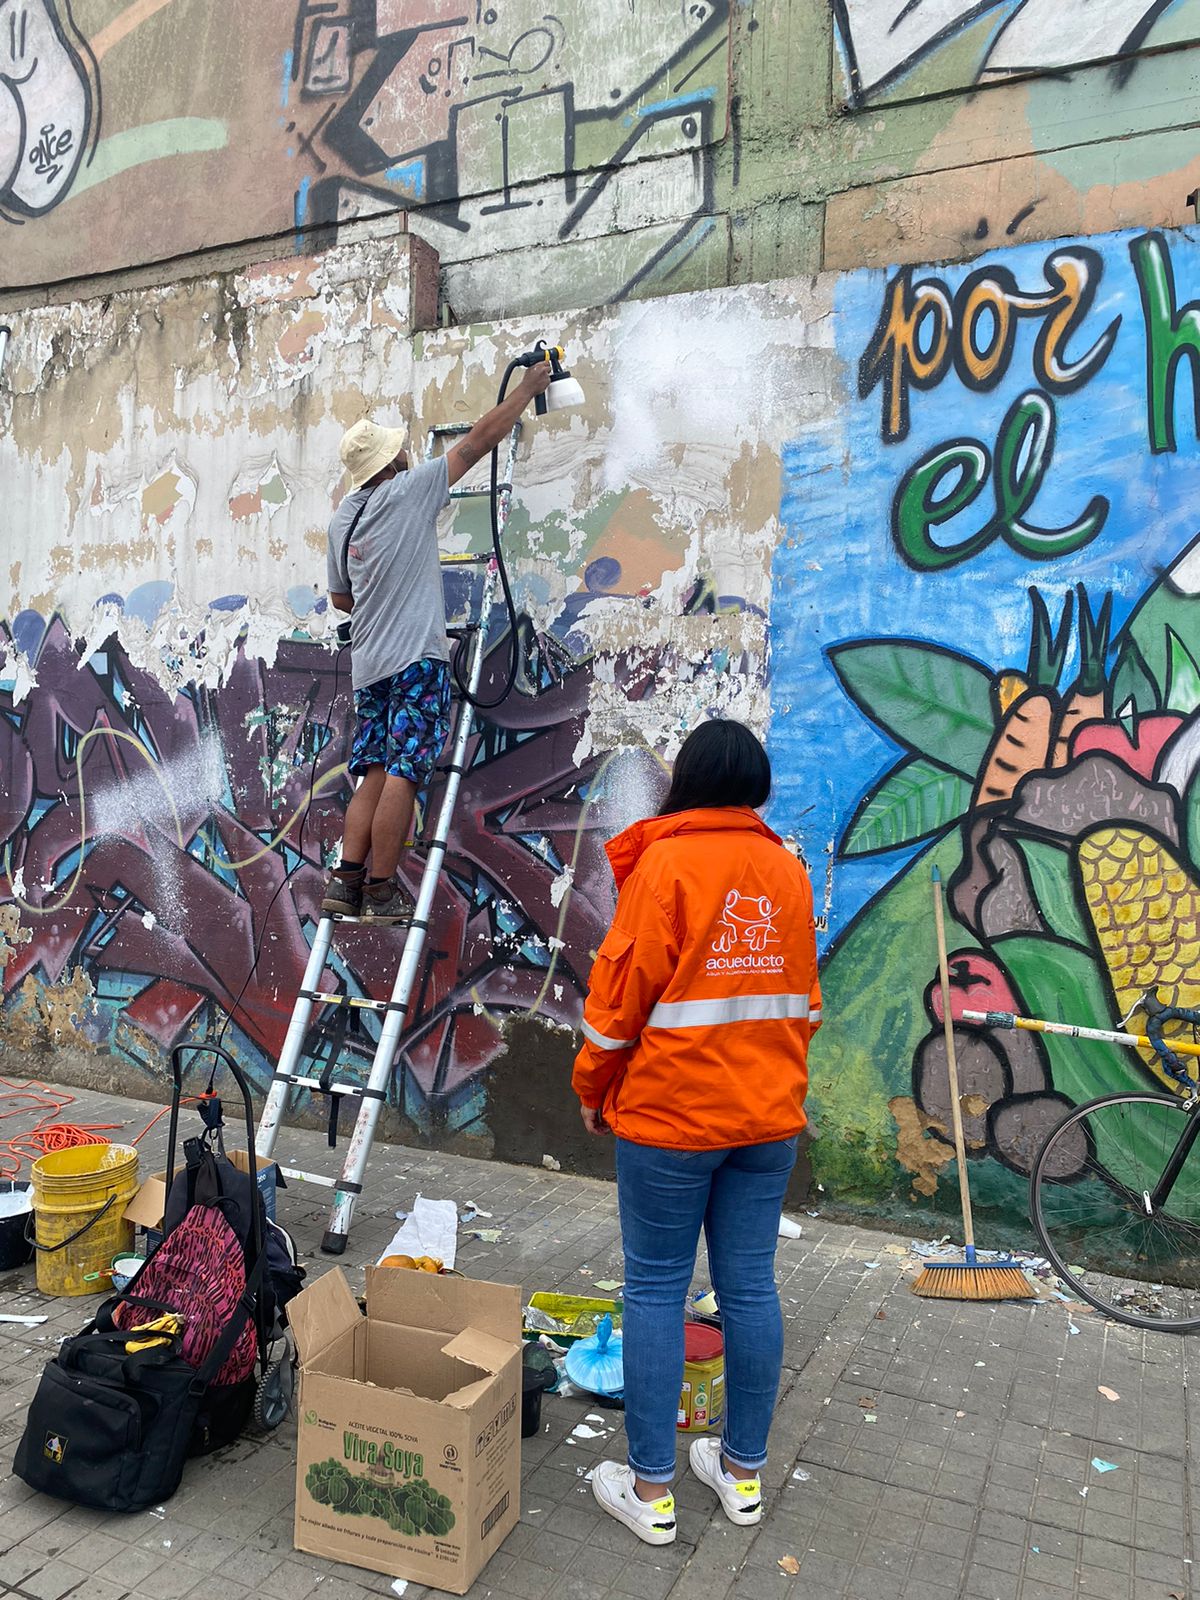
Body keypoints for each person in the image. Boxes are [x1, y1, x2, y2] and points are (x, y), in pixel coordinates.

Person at [572, 719, 821, 1545]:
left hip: (672, 1122)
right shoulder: (786, 870)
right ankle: (742, 1475)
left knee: (654, 1289)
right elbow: (804, 1005)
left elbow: (619, 999)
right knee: (749, 1287)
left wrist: (593, 1085)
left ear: (688, 779)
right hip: (766, 1120)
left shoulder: (667, 865)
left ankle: (652, 1492)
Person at [321, 362, 552, 919]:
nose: (405, 456)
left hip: (369, 665)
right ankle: (380, 887)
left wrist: (383, 597)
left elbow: (340, 599)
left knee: (373, 770)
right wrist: (525, 390)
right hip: (414, 662)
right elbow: (476, 443)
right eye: (398, 453)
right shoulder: (411, 488)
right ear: (391, 462)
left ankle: (344, 884)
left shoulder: (342, 520)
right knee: (404, 771)